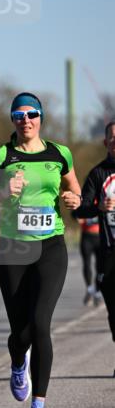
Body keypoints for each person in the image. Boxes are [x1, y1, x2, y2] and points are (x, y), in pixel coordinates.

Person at [0, 93, 81, 408]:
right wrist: (3, 192)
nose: (26, 120)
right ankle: (18, 361)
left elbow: (74, 191)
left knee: (40, 322)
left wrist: (73, 199)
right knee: (21, 332)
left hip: (51, 247)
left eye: (32, 114)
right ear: (13, 121)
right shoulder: (1, 156)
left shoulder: (59, 153)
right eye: (19, 115)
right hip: (13, 250)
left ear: (41, 117)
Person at [74, 119, 115, 373]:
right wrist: (98, 206)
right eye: (113, 138)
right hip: (109, 252)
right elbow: (80, 208)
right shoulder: (98, 174)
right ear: (106, 142)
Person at [75, 209, 102, 306]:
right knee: (87, 264)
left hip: (100, 237)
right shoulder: (85, 198)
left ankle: (97, 291)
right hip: (87, 237)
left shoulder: (104, 197)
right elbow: (74, 212)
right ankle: (90, 289)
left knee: (100, 266)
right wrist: (77, 216)